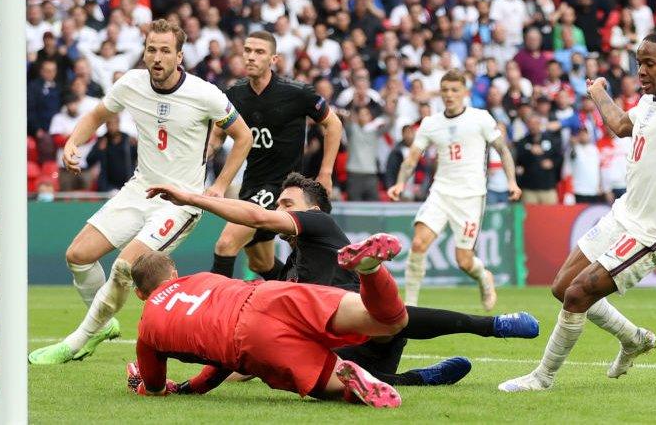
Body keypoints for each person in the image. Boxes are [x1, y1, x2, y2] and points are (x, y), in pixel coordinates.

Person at [140, 173, 539, 390]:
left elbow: (258, 219)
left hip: (368, 321)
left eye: (287, 203)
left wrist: (192, 198)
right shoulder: (291, 267)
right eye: (280, 203)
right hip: (346, 344)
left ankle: (493, 325)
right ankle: (417, 380)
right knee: (314, 377)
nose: (280, 209)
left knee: (384, 318)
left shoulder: (318, 223)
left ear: (310, 208)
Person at [499, 31, 656, 392]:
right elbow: (620, 125)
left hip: (651, 229)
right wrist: (598, 92)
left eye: (650, 63)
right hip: (623, 214)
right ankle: (633, 338)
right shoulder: (649, 102)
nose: (642, 71)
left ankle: (543, 378)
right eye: (639, 63)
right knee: (562, 288)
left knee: (577, 295)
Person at [27, 20, 253, 365]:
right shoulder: (131, 84)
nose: (157, 57)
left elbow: (244, 137)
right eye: (151, 49)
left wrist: (219, 186)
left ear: (180, 57)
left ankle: (77, 341)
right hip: (139, 190)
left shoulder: (205, 94)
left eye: (165, 51)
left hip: (179, 203)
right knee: (78, 255)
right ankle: (101, 324)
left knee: (123, 267)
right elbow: (97, 115)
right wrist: (73, 142)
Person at [125, 238, 408, 407]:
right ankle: (370, 270)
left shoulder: (147, 329)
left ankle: (347, 381)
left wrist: (161, 385)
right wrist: (197, 386)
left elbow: (155, 389)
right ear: (174, 274)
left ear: (139, 293)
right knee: (389, 322)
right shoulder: (200, 278)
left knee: (331, 386)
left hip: (250, 337)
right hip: (270, 294)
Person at [208, 31, 343, 279]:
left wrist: (325, 173)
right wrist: (205, 154)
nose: (250, 57)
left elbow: (333, 125)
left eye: (259, 52)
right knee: (261, 263)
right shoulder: (235, 94)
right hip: (252, 185)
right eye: (247, 50)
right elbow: (218, 134)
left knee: (226, 244)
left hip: (282, 187)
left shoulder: (297, 92)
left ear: (273, 59)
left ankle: (213, 312)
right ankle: (296, 299)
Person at [387, 69, 522, 309]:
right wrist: (400, 182)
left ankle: (484, 277)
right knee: (418, 243)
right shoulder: (430, 124)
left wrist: (511, 181)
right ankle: (410, 306)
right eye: (445, 90)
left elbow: (502, 150)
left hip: (470, 196)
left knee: (464, 261)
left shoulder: (480, 118)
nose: (449, 95)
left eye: (455, 90)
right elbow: (412, 158)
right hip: (440, 193)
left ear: (465, 93)